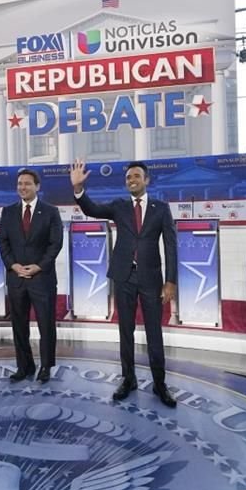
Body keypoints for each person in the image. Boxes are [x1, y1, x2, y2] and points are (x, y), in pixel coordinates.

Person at [70, 159, 178, 407]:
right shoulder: (119, 206)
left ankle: (160, 384)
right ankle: (128, 379)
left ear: (146, 180)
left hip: (151, 278)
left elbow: (171, 246)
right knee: (125, 331)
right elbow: (92, 209)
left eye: (137, 176)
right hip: (124, 277)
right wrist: (78, 190)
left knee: (154, 333)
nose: (132, 180)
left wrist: (170, 281)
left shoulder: (161, 208)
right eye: (129, 177)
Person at [0, 169, 64, 383]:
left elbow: (56, 244)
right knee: (19, 326)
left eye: (27, 183)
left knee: (46, 325)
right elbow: (3, 242)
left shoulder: (51, 211)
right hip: (16, 279)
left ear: (37, 186)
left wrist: (39, 266)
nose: (22, 187)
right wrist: (13, 265)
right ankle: (24, 366)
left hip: (41, 278)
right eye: (19, 184)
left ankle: (46, 366)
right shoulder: (8, 212)